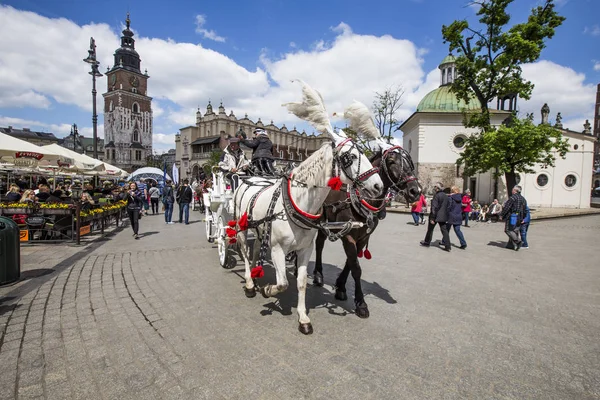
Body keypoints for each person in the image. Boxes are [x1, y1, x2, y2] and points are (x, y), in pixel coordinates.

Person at [420, 182, 451, 251]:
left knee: (430, 230)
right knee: (444, 231)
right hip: (443, 216)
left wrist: (432, 218)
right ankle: (448, 245)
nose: (434, 188)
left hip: (436, 215)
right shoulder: (445, 196)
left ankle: (427, 242)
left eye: (435, 187)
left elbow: (434, 207)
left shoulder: (437, 196)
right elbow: (448, 206)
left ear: (437, 188)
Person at [500, 185, 527, 251]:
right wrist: (524, 218)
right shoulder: (523, 199)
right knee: (515, 231)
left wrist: (502, 215)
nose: (512, 191)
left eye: (512, 189)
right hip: (520, 217)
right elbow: (525, 209)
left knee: (508, 230)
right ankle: (510, 245)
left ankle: (518, 241)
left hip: (512, 216)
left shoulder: (512, 198)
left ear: (515, 190)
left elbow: (507, 207)